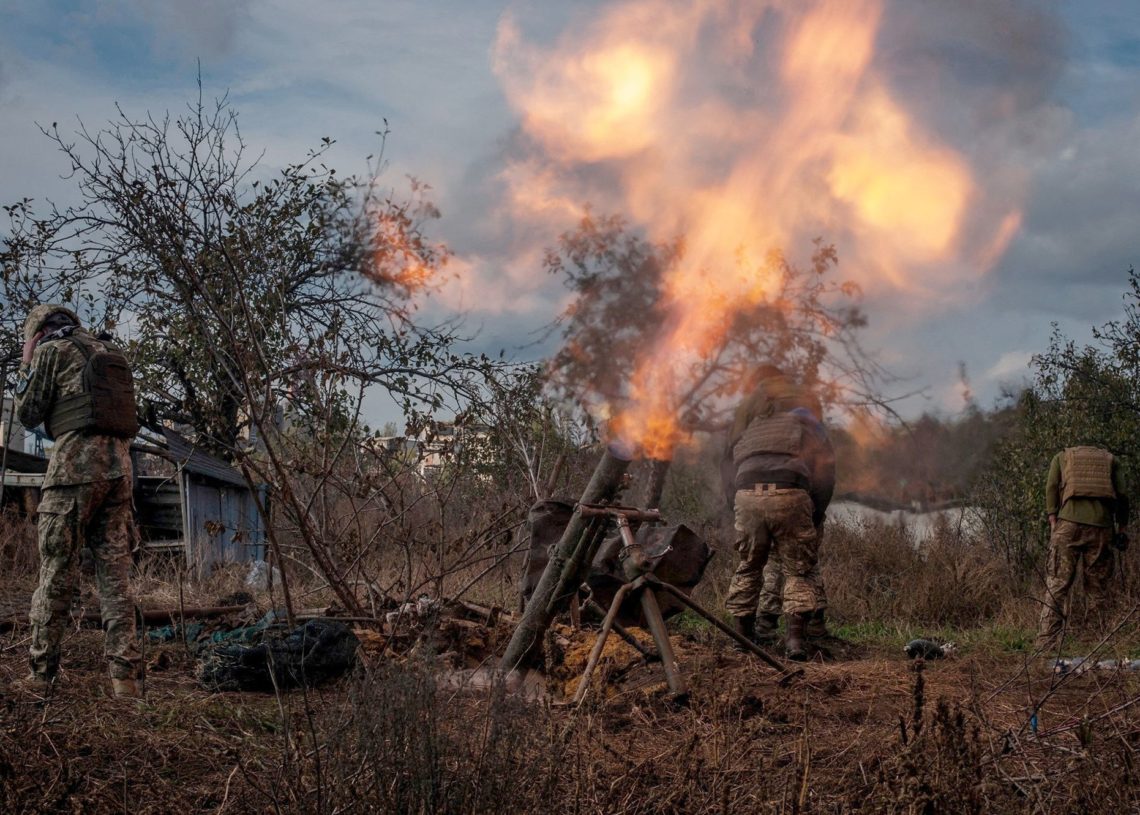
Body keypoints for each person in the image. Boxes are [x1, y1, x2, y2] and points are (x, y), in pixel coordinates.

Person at [12, 304, 143, 698]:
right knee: (115, 577)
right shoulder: (107, 352)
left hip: (73, 474)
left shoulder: (51, 352)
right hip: (119, 472)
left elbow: (28, 414)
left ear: (37, 331)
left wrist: (27, 362)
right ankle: (125, 681)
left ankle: (40, 675)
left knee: (56, 571)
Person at [723, 366, 827, 660]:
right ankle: (794, 642)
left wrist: (735, 500)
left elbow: (726, 465)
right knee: (798, 568)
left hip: (746, 494)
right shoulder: (804, 415)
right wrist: (815, 511)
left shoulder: (745, 419)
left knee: (749, 565)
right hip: (791, 491)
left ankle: (741, 639)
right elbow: (825, 467)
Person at [753, 406, 836, 643]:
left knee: (773, 562)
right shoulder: (817, 434)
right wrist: (816, 515)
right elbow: (825, 478)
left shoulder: (773, 434)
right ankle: (813, 625)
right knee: (804, 564)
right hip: (801, 504)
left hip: (761, 503)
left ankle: (765, 623)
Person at [1036, 444, 1129, 651]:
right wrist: (1121, 528)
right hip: (1102, 528)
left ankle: (1045, 644)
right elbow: (1122, 496)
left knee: (1057, 585)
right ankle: (1094, 646)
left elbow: (1051, 487)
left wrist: (1053, 521)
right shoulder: (1112, 460)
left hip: (1067, 526)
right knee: (1097, 589)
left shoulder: (1062, 457)